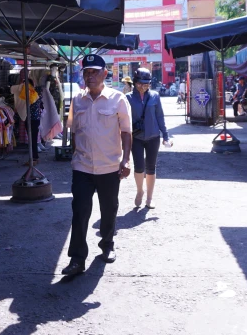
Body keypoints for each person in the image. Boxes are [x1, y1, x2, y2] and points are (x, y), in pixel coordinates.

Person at [62, 54, 132, 276]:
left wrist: (126, 159)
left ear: (105, 74)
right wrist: (74, 156)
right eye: (86, 72)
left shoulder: (118, 99)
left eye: (94, 72)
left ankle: (107, 245)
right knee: (80, 211)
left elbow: (127, 132)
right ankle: (77, 259)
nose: (89, 76)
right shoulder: (77, 101)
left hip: (109, 167)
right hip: (82, 167)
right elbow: (73, 131)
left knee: (109, 209)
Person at [126, 68, 170, 209]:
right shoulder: (127, 98)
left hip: (153, 137)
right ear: (135, 82)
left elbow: (160, 116)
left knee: (151, 167)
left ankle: (150, 198)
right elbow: (123, 120)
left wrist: (166, 136)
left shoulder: (155, 96)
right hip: (136, 137)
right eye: (140, 83)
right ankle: (140, 191)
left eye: (146, 84)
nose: (143, 86)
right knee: (139, 167)